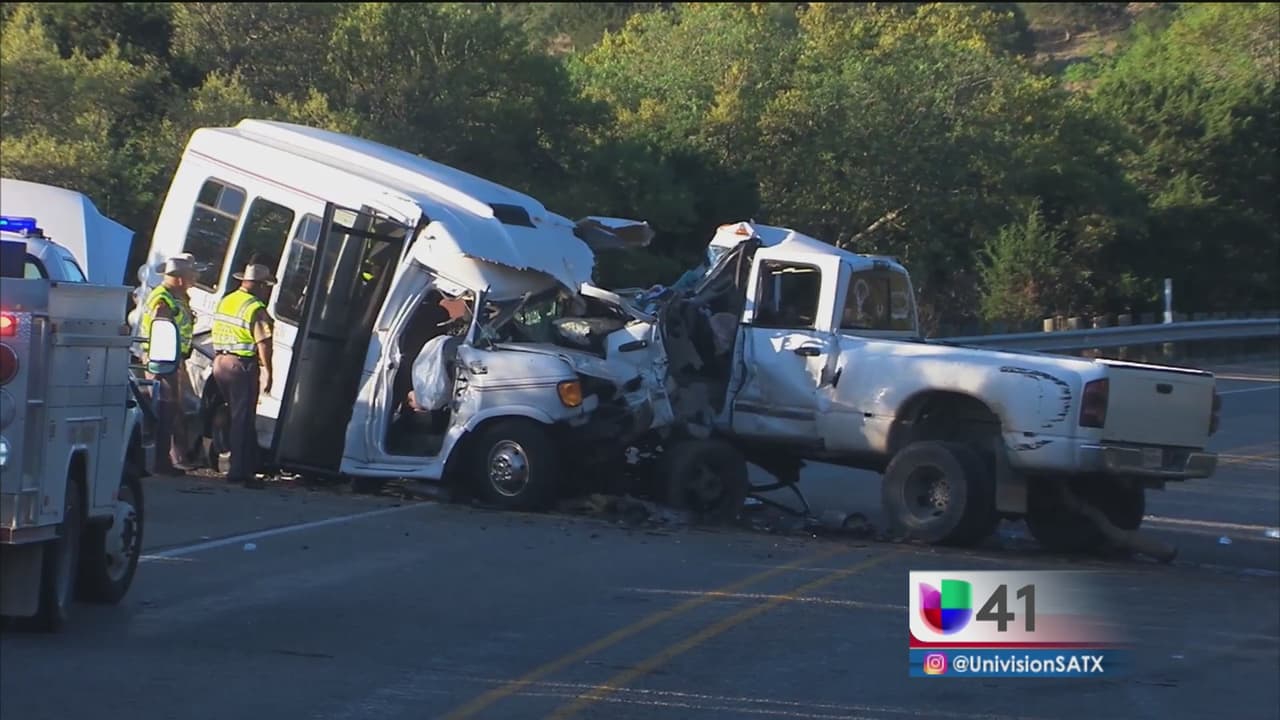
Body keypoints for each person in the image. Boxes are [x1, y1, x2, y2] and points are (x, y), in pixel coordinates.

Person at [211, 263, 277, 489]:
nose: (267, 291)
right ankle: (238, 471)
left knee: (232, 412)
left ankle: (225, 455)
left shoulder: (227, 300)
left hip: (220, 362)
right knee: (243, 418)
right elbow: (264, 342)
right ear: (259, 285)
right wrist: (268, 370)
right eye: (266, 286)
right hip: (241, 366)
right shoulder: (255, 307)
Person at [141, 255, 199, 475]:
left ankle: (170, 458)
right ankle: (160, 463)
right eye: (191, 275)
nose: (195, 278)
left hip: (171, 359)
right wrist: (171, 359)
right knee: (165, 409)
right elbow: (161, 326)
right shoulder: (163, 299)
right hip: (163, 360)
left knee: (170, 409)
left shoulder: (177, 296)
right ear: (181, 279)